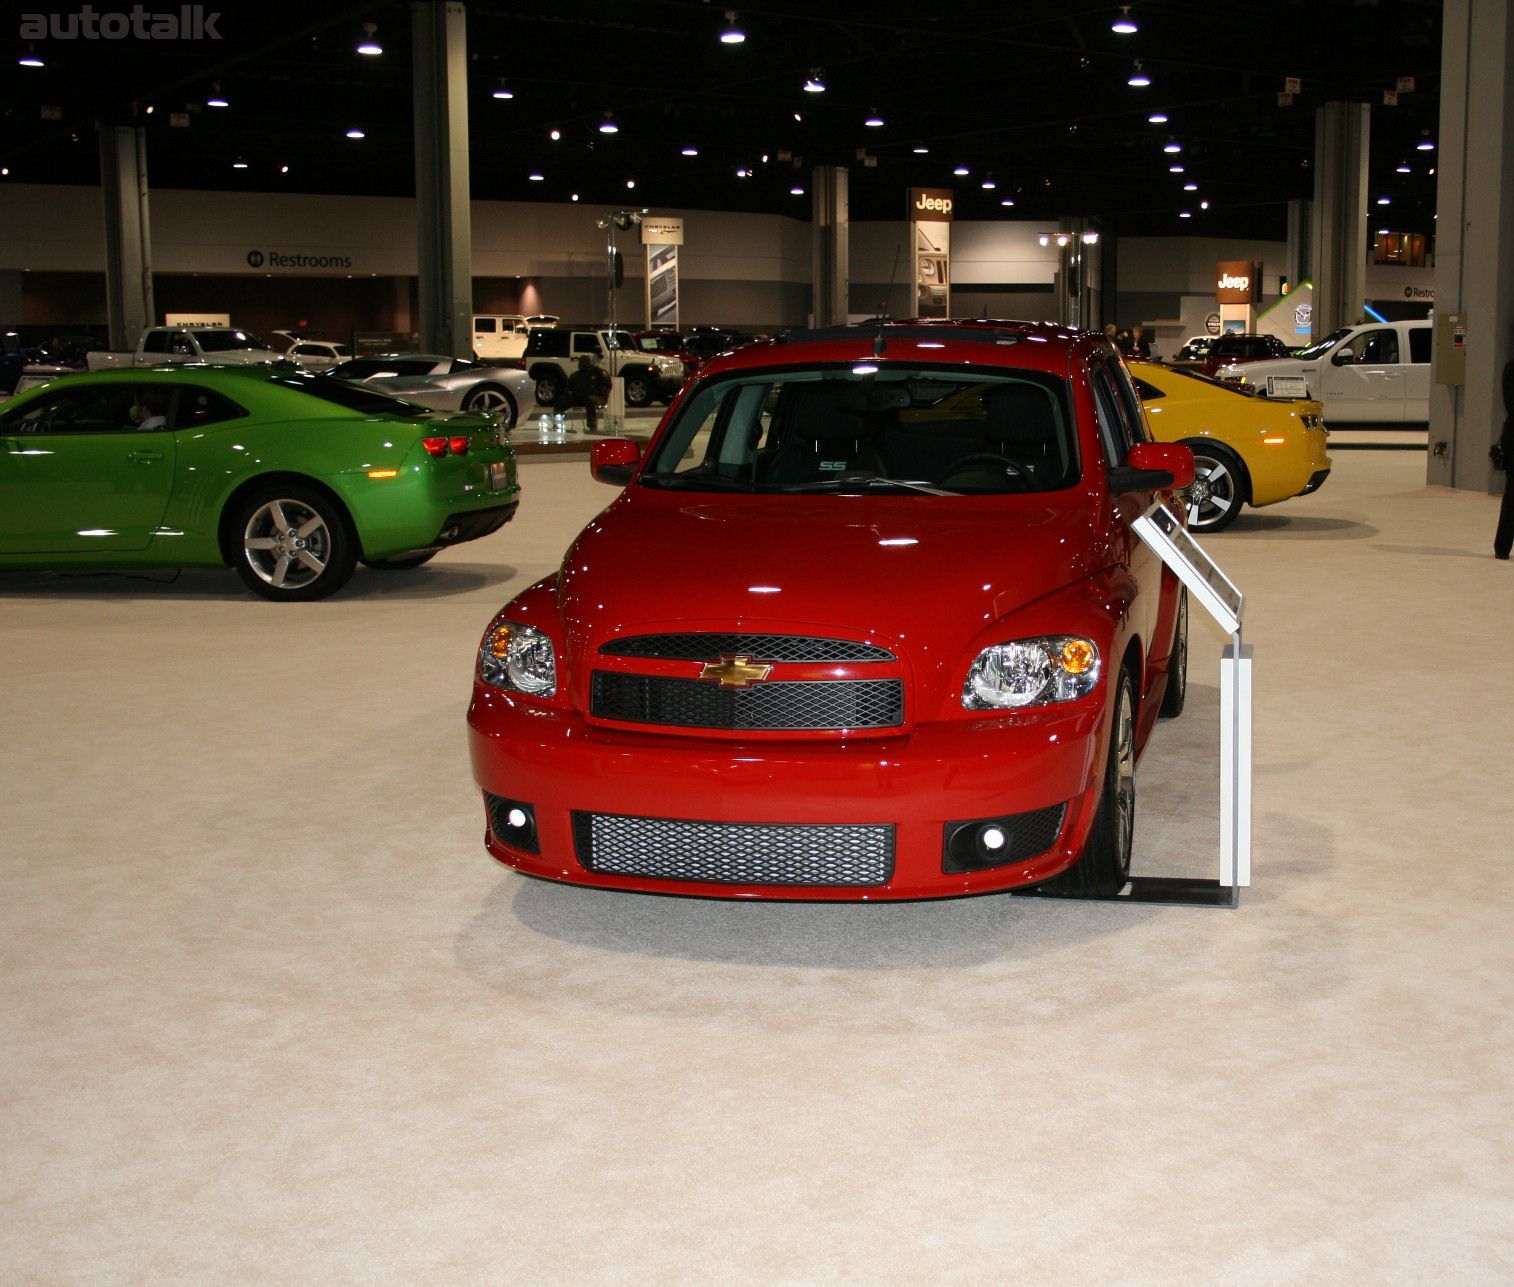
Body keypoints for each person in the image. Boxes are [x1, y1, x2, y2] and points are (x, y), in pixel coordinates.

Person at [1495, 357, 1514, 560]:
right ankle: (1502, 546)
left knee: (1511, 494)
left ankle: (1502, 546)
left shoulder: (1509, 368)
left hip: (1511, 434)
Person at [564, 355, 612, 432]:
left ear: (588, 363)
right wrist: (569, 393)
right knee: (562, 400)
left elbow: (607, 386)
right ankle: (556, 421)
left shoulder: (598, 373)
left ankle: (592, 425)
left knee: (590, 400)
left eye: (583, 363)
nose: (580, 365)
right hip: (579, 398)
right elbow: (568, 388)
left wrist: (598, 392)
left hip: (597, 398)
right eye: (580, 363)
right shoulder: (575, 375)